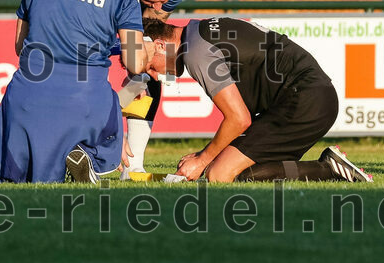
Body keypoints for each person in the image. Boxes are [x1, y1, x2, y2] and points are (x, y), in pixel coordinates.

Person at [0, 0, 149, 184]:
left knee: (18, 179)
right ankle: (90, 156)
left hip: (26, 99)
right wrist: (145, 51)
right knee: (110, 116)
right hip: (84, 101)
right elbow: (135, 63)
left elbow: (19, 45)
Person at [51, 0, 195, 175]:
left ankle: (133, 165)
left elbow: (152, 25)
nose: (159, 6)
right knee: (83, 66)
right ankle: (75, 145)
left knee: (149, 68)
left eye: (164, 0)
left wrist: (139, 69)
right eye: (151, 0)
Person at [143, 17, 372, 182]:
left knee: (219, 174)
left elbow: (239, 119)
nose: (154, 75)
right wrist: (207, 155)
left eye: (150, 66)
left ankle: (328, 169)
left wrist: (202, 159)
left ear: (161, 45)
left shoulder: (195, 53)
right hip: (308, 96)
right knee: (232, 168)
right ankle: (328, 166)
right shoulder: (198, 31)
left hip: (304, 100)